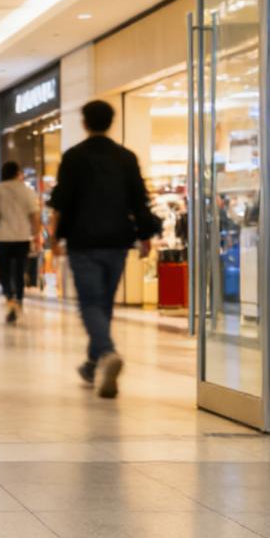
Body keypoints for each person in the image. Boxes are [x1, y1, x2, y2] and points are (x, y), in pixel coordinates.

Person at [48, 100, 161, 399]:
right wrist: (146, 235)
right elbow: (140, 200)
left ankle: (107, 354)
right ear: (111, 121)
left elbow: (62, 200)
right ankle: (92, 364)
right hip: (117, 241)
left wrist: (55, 237)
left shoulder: (73, 157)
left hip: (83, 241)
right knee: (104, 304)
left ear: (85, 123)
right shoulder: (126, 157)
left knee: (91, 303)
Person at [0, 160, 40, 324]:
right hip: (22, 237)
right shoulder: (27, 190)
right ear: (17, 173)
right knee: (20, 270)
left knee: (5, 271)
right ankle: (19, 300)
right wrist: (35, 234)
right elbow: (34, 215)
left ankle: (9, 299)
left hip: (2, 237)